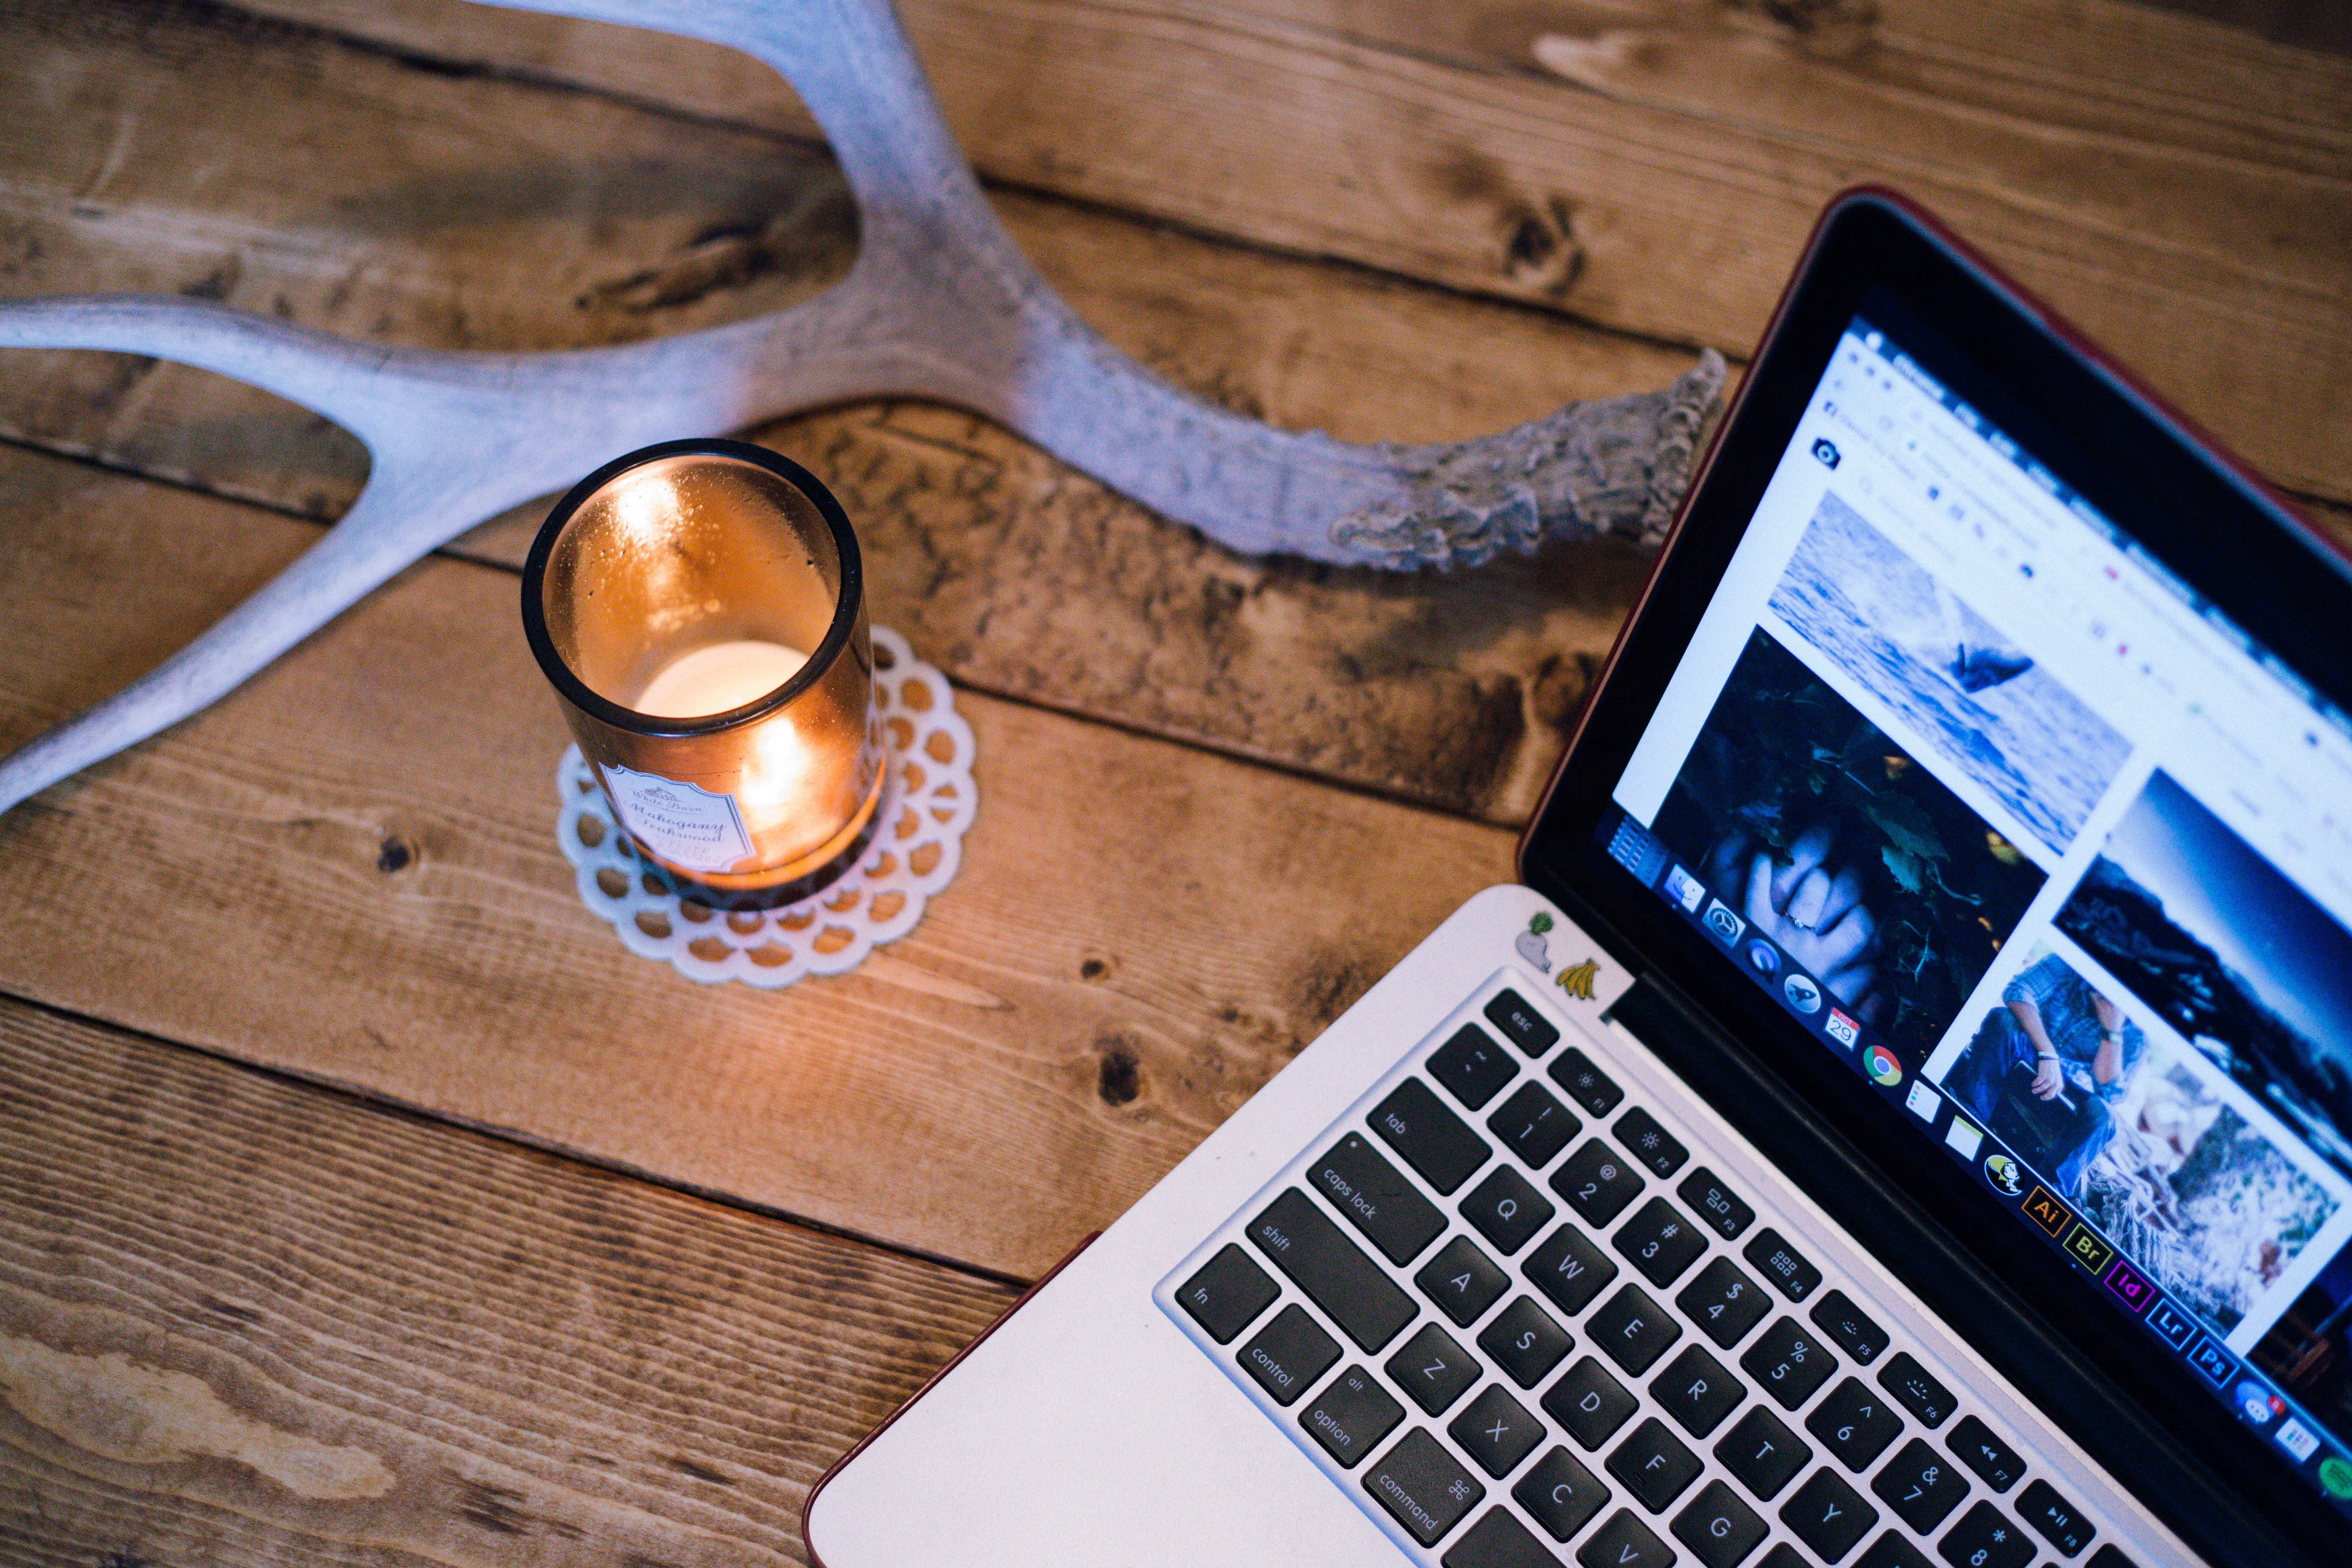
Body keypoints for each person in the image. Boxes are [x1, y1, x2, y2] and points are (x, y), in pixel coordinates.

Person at [1947, 954, 2146, 1196]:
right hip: (2028, 1055)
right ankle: (1969, 1118)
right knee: (2002, 1020)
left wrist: (2112, 1031)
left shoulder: (2138, 1034)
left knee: (2104, 1117)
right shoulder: (2071, 964)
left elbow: (2110, 1093)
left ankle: (2050, 1189)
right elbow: (2019, 991)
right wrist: (2047, 1053)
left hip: (2068, 1098)